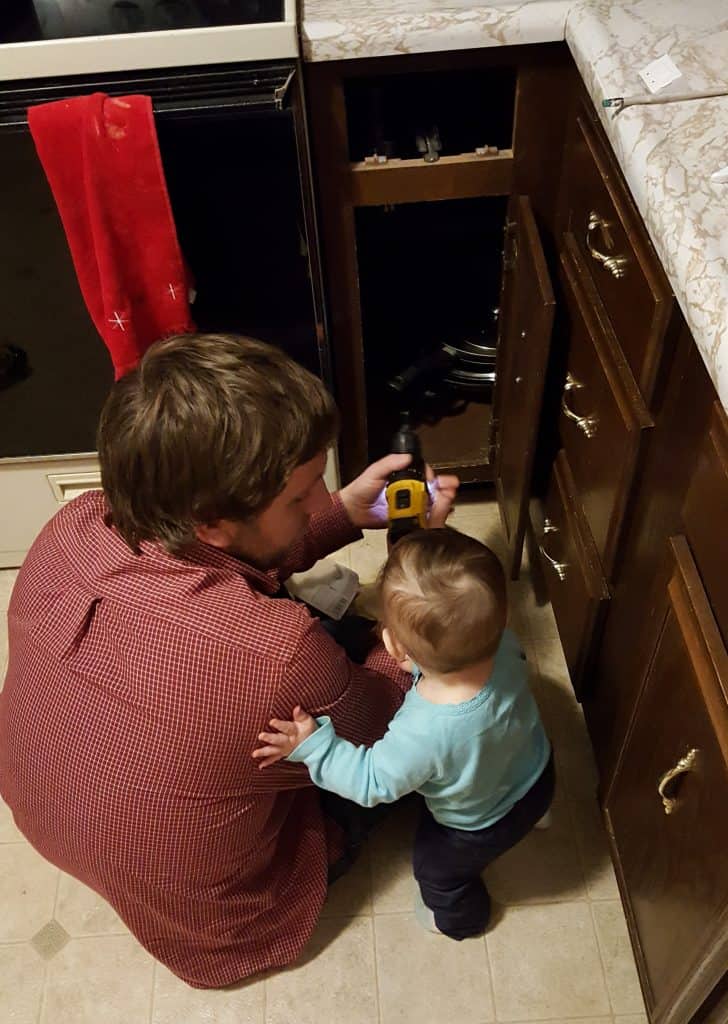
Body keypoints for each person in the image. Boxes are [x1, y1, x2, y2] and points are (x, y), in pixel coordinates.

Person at [0, 332, 458, 988]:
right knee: (444, 687)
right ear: (212, 521)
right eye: (302, 499)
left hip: (47, 806)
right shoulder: (275, 648)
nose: (315, 504)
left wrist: (342, 514)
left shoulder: (74, 525)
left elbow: (221, 559)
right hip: (220, 923)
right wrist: (414, 613)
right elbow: (379, 729)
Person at [253, 527, 555, 940]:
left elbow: (371, 780)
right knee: (525, 793)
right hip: (537, 774)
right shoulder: (504, 645)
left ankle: (460, 919)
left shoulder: (422, 732)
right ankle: (538, 816)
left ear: (394, 649)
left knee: (436, 871)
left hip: (476, 824)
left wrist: (314, 747)